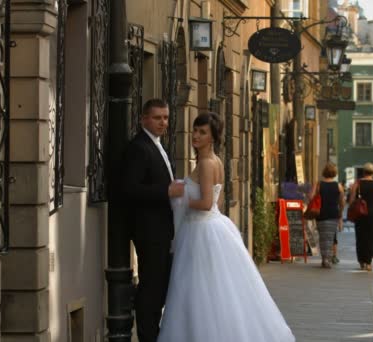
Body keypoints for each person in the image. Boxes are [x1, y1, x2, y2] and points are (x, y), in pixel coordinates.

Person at [158, 112, 295, 342]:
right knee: (216, 289)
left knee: (198, 290)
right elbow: (218, 201)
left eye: (202, 132)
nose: (196, 135)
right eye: (195, 130)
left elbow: (206, 203)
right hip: (213, 226)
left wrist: (180, 197)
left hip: (200, 230)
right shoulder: (217, 161)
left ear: (212, 137)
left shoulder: (204, 164)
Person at [120, 98, 185, 342]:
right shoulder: (138, 147)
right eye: (157, 118)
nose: (163, 122)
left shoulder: (159, 145)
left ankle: (154, 333)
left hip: (162, 229)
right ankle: (148, 336)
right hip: (149, 229)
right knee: (151, 287)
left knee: (158, 287)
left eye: (166, 118)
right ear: (144, 119)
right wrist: (167, 191)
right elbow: (130, 189)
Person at [348, 163, 373, 271]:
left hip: (360, 214)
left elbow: (351, 200)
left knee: (360, 238)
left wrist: (351, 211)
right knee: (371, 239)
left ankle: (361, 262)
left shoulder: (357, 183)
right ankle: (368, 263)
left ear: (363, 172)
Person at [309, 163, 344, 268]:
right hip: (333, 214)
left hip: (321, 213)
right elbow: (342, 201)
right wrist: (340, 214)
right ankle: (327, 258)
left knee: (323, 237)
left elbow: (311, 197)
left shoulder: (319, 184)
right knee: (330, 237)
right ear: (334, 173)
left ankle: (325, 258)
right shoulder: (338, 186)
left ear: (324, 172)